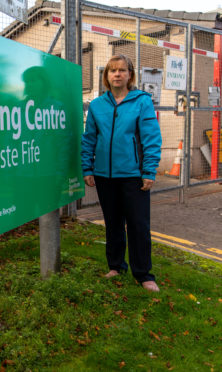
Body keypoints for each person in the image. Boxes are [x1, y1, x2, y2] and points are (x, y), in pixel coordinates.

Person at [81, 55, 162, 292]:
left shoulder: (142, 102)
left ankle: (144, 274)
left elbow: (151, 138)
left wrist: (149, 170)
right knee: (113, 224)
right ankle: (116, 266)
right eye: (112, 70)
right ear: (106, 76)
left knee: (138, 225)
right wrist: (88, 167)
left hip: (133, 175)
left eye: (122, 70)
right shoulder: (97, 105)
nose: (117, 74)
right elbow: (89, 138)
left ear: (130, 75)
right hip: (105, 176)